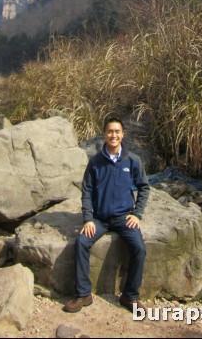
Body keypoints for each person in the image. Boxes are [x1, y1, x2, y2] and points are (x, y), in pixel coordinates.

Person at [63, 117, 150, 313]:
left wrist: (137, 214)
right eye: (110, 131)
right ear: (104, 134)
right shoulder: (95, 162)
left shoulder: (132, 160)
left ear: (122, 134)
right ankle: (83, 294)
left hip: (124, 217)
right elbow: (87, 191)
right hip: (100, 219)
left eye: (117, 131)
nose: (114, 135)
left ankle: (130, 296)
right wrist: (88, 219)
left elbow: (144, 188)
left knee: (139, 249)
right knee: (81, 243)